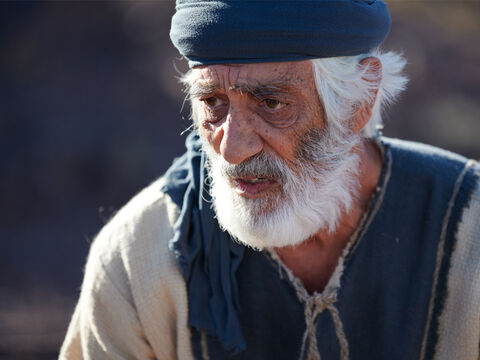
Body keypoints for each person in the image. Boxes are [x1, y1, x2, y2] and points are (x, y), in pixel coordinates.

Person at [60, 1, 480, 359]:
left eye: (272, 103)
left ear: (359, 101)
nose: (232, 149)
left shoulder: (471, 233)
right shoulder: (137, 261)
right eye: (212, 103)